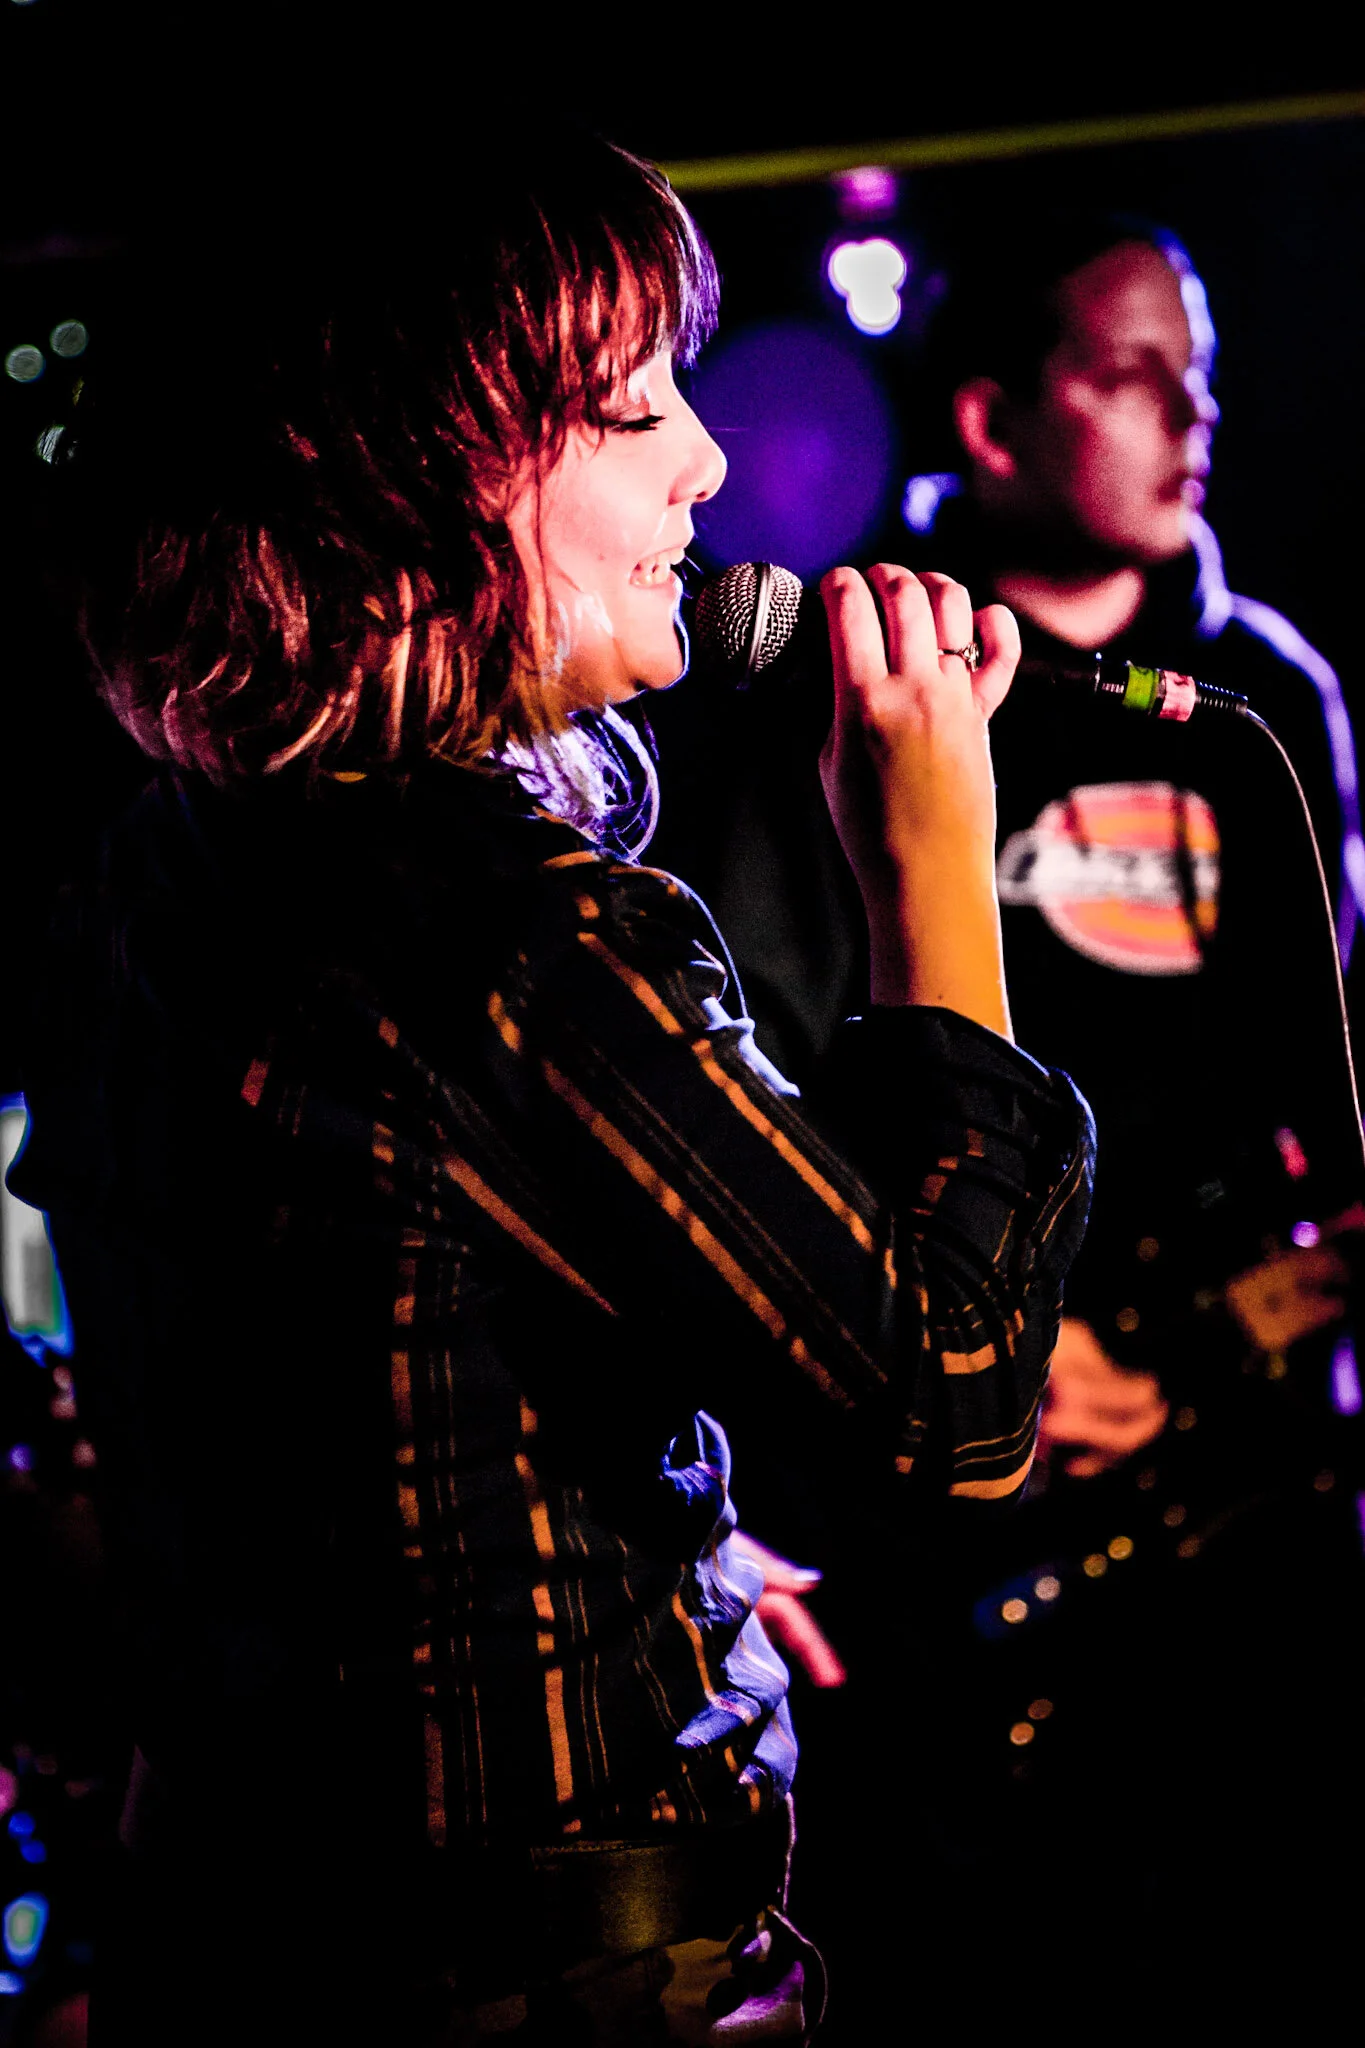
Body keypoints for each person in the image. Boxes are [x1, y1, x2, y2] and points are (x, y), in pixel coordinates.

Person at [9, 132, 1092, 2044]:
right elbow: (956, 1400)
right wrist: (932, 852)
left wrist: (640, 1555)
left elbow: (335, 1399)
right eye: (632, 407)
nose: (710, 464)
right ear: (419, 477)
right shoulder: (522, 942)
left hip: (235, 1944)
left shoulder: (162, 868)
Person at [650, 209, 1365, 2023]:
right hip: (964, 1503)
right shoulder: (848, 673)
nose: (1193, 414)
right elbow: (763, 1090)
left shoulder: (1266, 702)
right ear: (990, 420)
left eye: (1202, 373)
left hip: (1240, 1498)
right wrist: (1008, 1346)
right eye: (1134, 373)